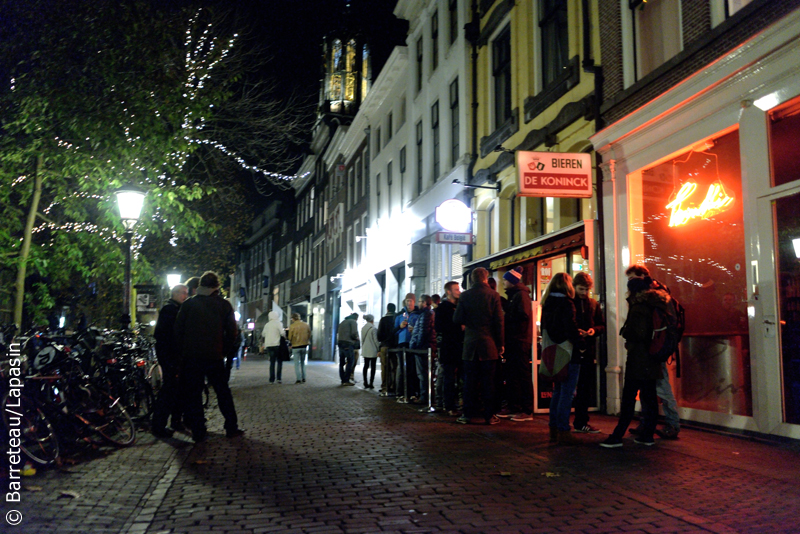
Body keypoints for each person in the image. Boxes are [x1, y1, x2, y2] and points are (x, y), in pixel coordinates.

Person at [174, 271, 244, 442]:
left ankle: (199, 430)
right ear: (216, 287)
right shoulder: (224, 305)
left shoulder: (189, 304)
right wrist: (224, 350)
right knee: (222, 392)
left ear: (200, 287)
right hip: (214, 356)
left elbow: (178, 330)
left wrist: (184, 350)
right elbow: (232, 332)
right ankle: (231, 427)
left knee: (194, 393)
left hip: (192, 356)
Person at [600, 268, 666, 448]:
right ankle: (647, 435)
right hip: (652, 357)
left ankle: (617, 436)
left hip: (639, 358)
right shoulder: (655, 301)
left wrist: (626, 331)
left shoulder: (639, 306)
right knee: (649, 396)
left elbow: (638, 332)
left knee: (629, 397)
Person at [625, 264, 681, 440]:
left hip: (652, 351)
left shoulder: (650, 298)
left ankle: (672, 424)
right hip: (655, 349)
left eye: (632, 278)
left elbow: (644, 327)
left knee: (661, 387)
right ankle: (647, 423)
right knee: (649, 388)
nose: (629, 282)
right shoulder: (656, 295)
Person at [453, 268, 505, 425]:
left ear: (472, 279)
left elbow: (457, 318)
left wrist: (468, 322)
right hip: (488, 344)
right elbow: (499, 321)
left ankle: (467, 414)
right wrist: (501, 343)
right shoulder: (494, 295)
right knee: (488, 382)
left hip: (470, 345)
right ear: (486, 278)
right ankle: (489, 416)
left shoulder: (465, 295)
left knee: (469, 381)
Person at [541, 273, 583, 445]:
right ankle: (563, 430)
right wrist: (581, 343)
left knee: (557, 391)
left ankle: (553, 430)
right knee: (567, 392)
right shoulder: (567, 303)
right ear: (568, 286)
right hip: (568, 353)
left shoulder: (547, 303)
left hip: (553, 353)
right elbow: (570, 327)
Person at [151, 283, 189, 437]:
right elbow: (167, 335)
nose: (184, 296)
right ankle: (159, 425)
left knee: (176, 389)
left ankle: (175, 420)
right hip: (170, 356)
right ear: (174, 293)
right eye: (182, 293)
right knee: (169, 390)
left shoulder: (174, 309)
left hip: (173, 355)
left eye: (186, 293)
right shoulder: (170, 309)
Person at [498, 266, 535, 422]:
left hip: (519, 340)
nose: (503, 282)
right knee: (514, 375)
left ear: (512, 281)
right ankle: (516, 407)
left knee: (521, 374)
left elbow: (522, 315)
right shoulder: (516, 296)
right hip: (515, 340)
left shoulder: (521, 296)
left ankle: (526, 410)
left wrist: (507, 315)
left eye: (505, 280)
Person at [571, 271, 605, 433]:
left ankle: (580, 421)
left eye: (586, 289)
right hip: (575, 348)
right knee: (573, 386)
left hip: (586, 348)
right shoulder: (571, 303)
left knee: (583, 387)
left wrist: (593, 330)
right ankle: (578, 422)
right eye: (581, 289)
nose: (584, 293)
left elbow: (601, 325)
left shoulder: (593, 304)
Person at [436, 281, 464, 415]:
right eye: (456, 289)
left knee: (459, 377)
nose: (459, 291)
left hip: (460, 347)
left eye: (459, 289)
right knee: (449, 378)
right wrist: (458, 327)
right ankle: (449, 405)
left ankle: (458, 403)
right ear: (449, 292)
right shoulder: (443, 308)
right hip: (449, 348)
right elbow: (440, 327)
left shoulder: (459, 305)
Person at [409, 294, 436, 407]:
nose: (418, 303)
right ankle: (426, 396)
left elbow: (423, 331)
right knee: (424, 374)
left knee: (423, 374)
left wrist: (417, 346)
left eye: (420, 301)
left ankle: (425, 397)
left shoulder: (426, 314)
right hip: (426, 346)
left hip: (423, 348)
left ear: (425, 303)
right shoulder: (427, 314)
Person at [393, 294, 419, 402]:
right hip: (402, 344)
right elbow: (393, 331)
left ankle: (412, 393)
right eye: (407, 300)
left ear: (414, 302)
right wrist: (400, 327)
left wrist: (414, 331)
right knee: (403, 369)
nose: (409, 303)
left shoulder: (417, 315)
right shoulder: (400, 315)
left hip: (413, 344)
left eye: (411, 301)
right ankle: (402, 393)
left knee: (412, 369)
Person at [376, 303, 397, 397]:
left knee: (385, 367)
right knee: (395, 367)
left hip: (385, 346)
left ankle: (385, 387)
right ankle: (394, 386)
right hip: (396, 346)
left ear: (387, 309)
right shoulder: (397, 318)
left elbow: (379, 335)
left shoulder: (383, 320)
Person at [261, 311, 285, 384]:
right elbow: (282, 333)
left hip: (269, 345)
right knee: (279, 361)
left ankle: (271, 379)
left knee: (272, 362)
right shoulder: (278, 323)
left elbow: (263, 334)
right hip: (277, 345)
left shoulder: (267, 325)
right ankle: (279, 378)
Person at [288, 313, 311, 384]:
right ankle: (304, 377)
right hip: (304, 345)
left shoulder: (292, 326)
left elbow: (289, 337)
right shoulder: (306, 325)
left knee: (296, 363)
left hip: (295, 346)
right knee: (303, 362)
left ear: (293, 319)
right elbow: (309, 334)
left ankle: (298, 379)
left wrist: (291, 341)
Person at [337, 312, 359, 386]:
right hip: (348, 344)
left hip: (340, 343)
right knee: (350, 361)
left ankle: (343, 379)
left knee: (341, 362)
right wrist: (356, 338)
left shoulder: (343, 322)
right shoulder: (353, 322)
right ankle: (346, 380)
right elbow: (353, 333)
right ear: (356, 318)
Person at [360, 314, 379, 389]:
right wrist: (379, 349)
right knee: (373, 367)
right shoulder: (373, 328)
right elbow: (376, 341)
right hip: (373, 350)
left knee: (366, 366)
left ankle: (365, 381)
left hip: (365, 349)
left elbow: (362, 339)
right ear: (372, 320)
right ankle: (371, 383)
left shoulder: (363, 328)